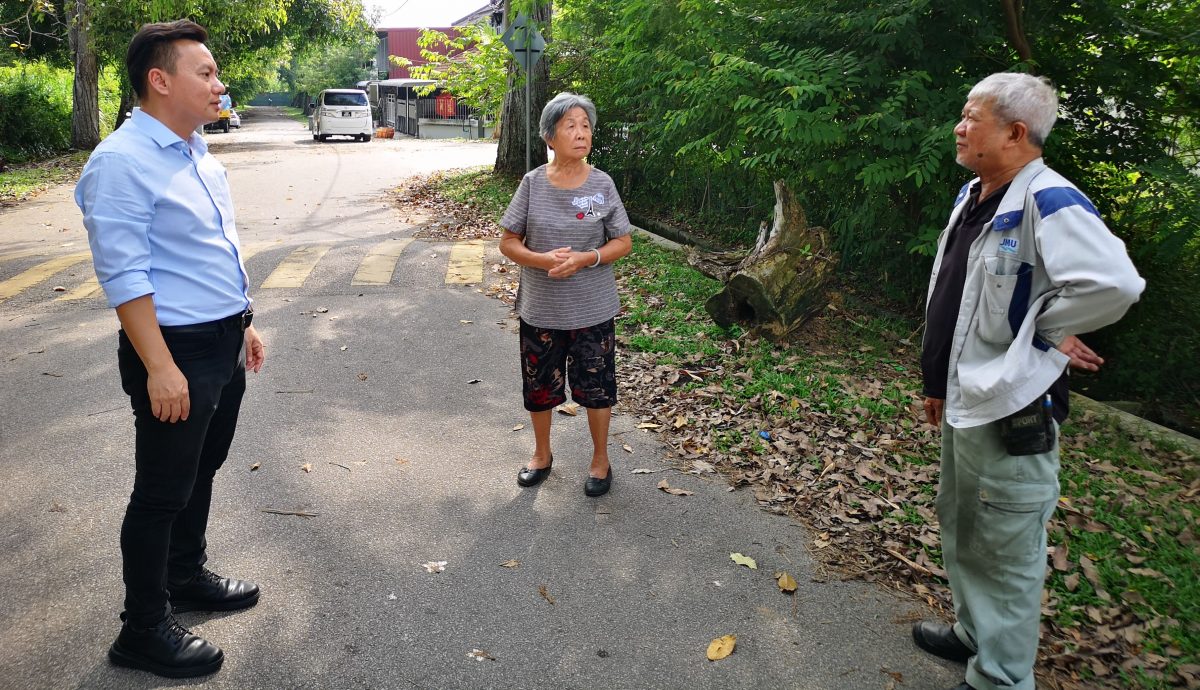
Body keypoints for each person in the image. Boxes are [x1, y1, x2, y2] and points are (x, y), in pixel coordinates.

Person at [914, 72, 1144, 690]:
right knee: (962, 522)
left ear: (1015, 132)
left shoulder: (1049, 199)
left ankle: (1001, 677)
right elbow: (961, 300)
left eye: (972, 117)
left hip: (1015, 404)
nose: (960, 127)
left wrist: (1044, 328)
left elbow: (1115, 284)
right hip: (968, 398)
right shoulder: (978, 193)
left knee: (1008, 545)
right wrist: (937, 380)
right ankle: (972, 631)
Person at [74, 19, 265, 678]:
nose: (220, 83)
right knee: (160, 493)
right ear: (160, 81)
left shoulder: (195, 150)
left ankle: (185, 576)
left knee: (200, 472)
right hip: (173, 349)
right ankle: (143, 627)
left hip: (222, 339)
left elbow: (212, 248)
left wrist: (243, 322)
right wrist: (159, 366)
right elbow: (124, 274)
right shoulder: (121, 162)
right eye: (205, 73)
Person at [499, 92, 633, 497]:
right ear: (549, 137)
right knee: (540, 386)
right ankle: (542, 455)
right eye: (570, 126)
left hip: (593, 308)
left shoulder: (602, 184)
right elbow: (508, 242)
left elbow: (622, 242)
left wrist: (586, 258)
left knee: (597, 387)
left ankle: (599, 460)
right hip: (542, 309)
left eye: (586, 126)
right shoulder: (532, 183)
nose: (580, 133)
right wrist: (542, 260)